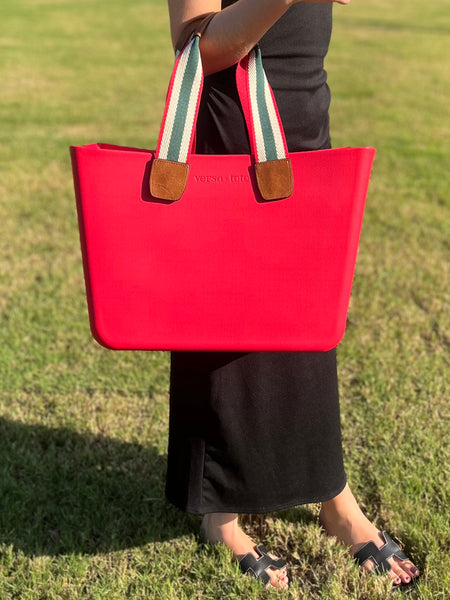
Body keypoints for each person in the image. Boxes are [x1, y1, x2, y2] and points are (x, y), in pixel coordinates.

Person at [165, 0, 420, 589]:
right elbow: (195, 46)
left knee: (306, 316)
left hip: (304, 112)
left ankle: (333, 497)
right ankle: (220, 515)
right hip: (230, 128)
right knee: (227, 327)